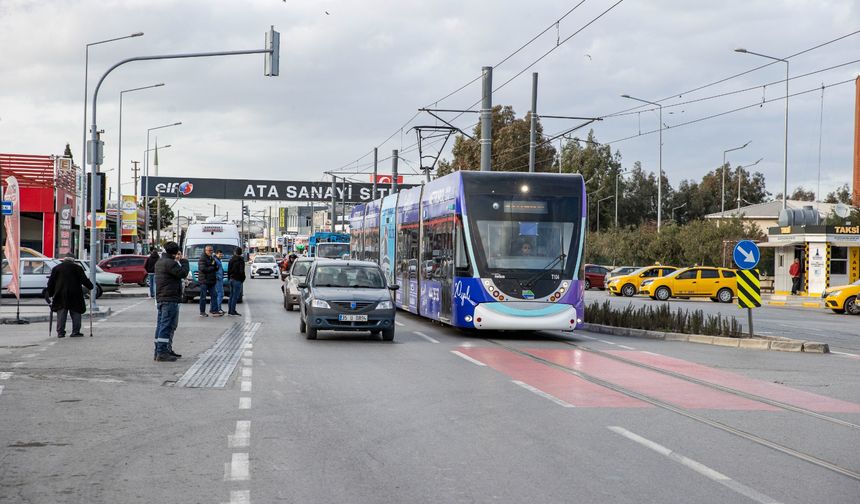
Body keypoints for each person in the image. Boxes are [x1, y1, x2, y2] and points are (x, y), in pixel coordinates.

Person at [154, 241, 190, 361]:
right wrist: (184, 261)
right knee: (167, 326)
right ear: (175, 252)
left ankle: (160, 350)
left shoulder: (160, 262)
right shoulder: (170, 263)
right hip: (169, 298)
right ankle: (162, 352)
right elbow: (183, 273)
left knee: (161, 325)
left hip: (162, 297)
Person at [47, 254, 94, 338]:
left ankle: (60, 332)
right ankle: (75, 332)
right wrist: (90, 286)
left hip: (60, 294)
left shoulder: (57, 268)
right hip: (75, 294)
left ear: (64, 260)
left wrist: (50, 293)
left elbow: (51, 283)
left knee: (61, 313)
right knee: (76, 312)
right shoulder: (77, 268)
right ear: (73, 260)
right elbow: (84, 280)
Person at [197, 245, 220, 317]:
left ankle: (214, 310)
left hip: (211, 280)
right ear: (205, 250)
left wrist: (214, 267)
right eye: (209, 250)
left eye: (212, 250)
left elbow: (216, 267)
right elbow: (203, 269)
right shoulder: (202, 258)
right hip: (204, 280)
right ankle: (202, 312)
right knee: (203, 297)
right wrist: (212, 267)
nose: (211, 252)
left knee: (214, 295)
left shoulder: (212, 258)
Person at [227, 247, 246, 316]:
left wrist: (229, 278)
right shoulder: (241, 260)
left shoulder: (231, 259)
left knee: (231, 295)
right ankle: (233, 311)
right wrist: (242, 279)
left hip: (231, 279)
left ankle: (230, 310)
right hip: (237, 280)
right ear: (241, 253)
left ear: (235, 252)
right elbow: (241, 271)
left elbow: (228, 270)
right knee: (235, 296)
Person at [211, 250, 226, 315]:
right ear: (216, 254)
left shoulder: (218, 260)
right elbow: (213, 269)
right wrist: (216, 276)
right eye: (219, 254)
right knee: (220, 294)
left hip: (220, 278)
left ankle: (215, 308)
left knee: (217, 294)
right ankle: (217, 308)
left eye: (221, 254)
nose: (221, 255)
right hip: (217, 279)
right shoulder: (214, 260)